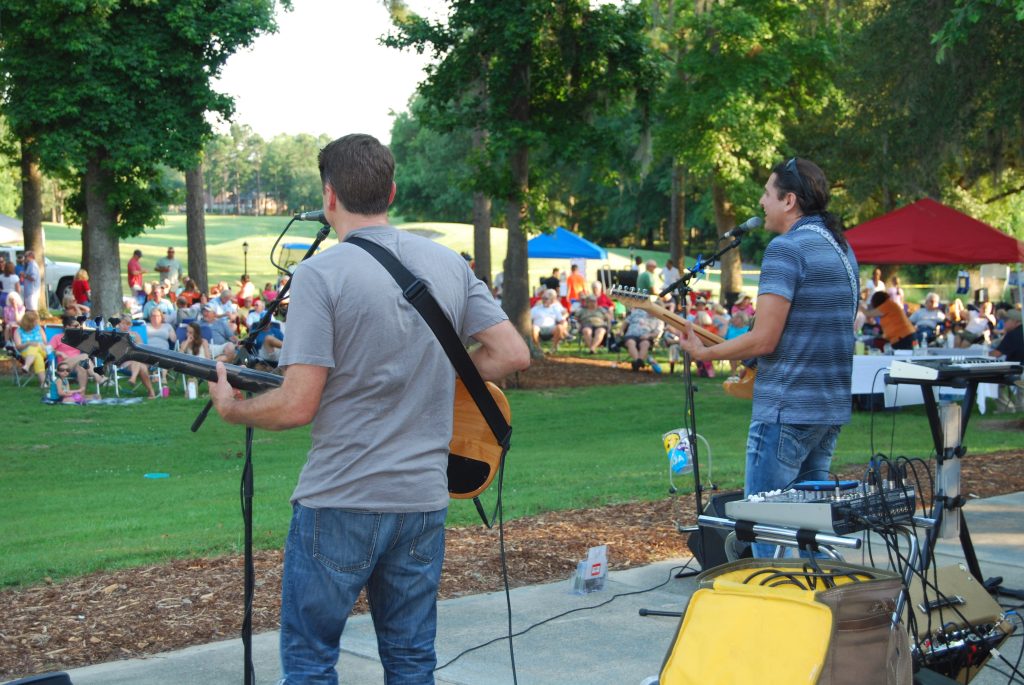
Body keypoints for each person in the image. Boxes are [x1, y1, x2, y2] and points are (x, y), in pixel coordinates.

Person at [208, 133, 529, 685]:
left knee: (310, 662)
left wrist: (233, 409)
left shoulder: (319, 275)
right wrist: (435, 374)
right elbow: (513, 352)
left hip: (341, 498)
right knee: (411, 659)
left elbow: (296, 404)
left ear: (329, 198)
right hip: (423, 500)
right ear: (392, 192)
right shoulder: (448, 264)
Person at [677, 158, 858, 558]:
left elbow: (764, 340)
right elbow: (799, 332)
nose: (761, 202)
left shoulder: (787, 249)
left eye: (766, 192)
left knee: (765, 533)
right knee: (811, 534)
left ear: (789, 200)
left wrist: (705, 351)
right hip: (828, 408)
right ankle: (816, 611)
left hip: (786, 408)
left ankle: (775, 611)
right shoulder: (843, 249)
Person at [50, 315, 106, 391]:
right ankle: (98, 377)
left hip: (77, 364)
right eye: (75, 326)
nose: (77, 328)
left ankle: (81, 393)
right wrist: (59, 353)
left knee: (82, 367)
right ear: (67, 326)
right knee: (84, 356)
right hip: (64, 364)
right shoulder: (57, 337)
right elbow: (48, 349)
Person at [114, 316, 157, 398]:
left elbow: (141, 349)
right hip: (125, 362)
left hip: (137, 358)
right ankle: (151, 391)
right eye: (123, 323)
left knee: (137, 359)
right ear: (118, 324)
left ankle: (133, 378)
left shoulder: (135, 335)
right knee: (142, 366)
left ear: (130, 325)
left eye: (128, 324)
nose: (125, 326)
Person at [621, 306, 664, 371]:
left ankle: (637, 363)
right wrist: (621, 330)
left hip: (646, 337)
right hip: (631, 335)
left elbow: (658, 332)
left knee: (645, 344)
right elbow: (626, 321)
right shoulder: (638, 312)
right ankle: (638, 362)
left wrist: (649, 335)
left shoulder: (659, 320)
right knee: (630, 342)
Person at [13, 309, 48, 386]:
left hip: (42, 350)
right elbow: (18, 347)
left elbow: (45, 342)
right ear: (29, 322)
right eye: (35, 321)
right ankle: (43, 383)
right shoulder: (18, 331)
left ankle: (27, 366)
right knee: (38, 357)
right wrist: (28, 343)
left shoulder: (39, 329)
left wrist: (37, 344)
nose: (37, 322)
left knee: (36, 346)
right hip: (26, 353)